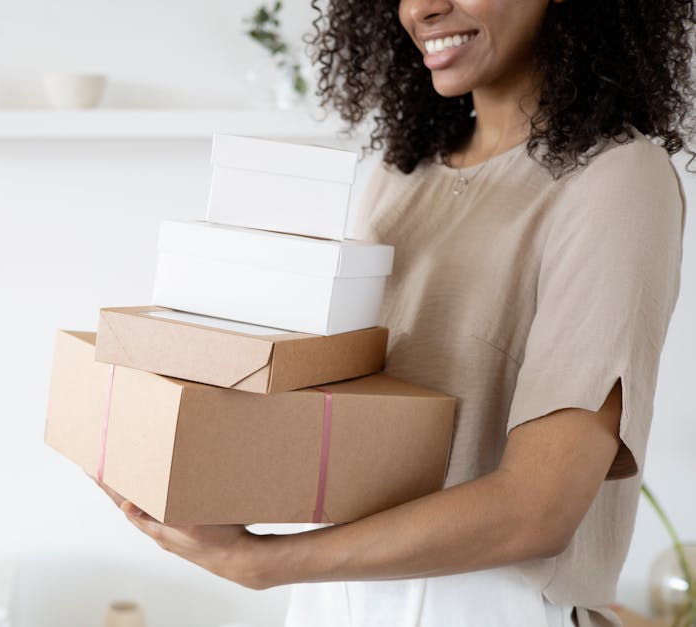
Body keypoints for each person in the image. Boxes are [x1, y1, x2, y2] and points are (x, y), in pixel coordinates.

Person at [96, 1, 692, 625]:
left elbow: (538, 510)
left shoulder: (615, 179)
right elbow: (347, 415)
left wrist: (265, 563)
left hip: (483, 603)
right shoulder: (402, 174)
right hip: (333, 592)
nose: (424, 7)